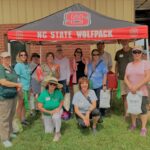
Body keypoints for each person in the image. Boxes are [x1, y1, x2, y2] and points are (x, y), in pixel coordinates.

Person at [124, 46, 150, 136]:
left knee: (143, 110)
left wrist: (137, 86)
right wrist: (131, 86)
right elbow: (125, 78)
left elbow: (147, 77)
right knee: (132, 109)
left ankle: (143, 128)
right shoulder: (129, 65)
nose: (137, 54)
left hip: (142, 91)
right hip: (131, 91)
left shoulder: (145, 63)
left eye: (139, 52)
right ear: (132, 54)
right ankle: (134, 125)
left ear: (142, 54)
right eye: (135, 52)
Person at [0, 51, 22, 148]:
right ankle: (5, 139)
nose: (7, 59)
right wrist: (17, 85)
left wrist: (17, 87)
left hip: (13, 95)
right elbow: (3, 82)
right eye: (5, 58)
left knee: (11, 116)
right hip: (4, 97)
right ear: (1, 59)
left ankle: (10, 132)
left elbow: (15, 79)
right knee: (4, 118)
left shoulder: (11, 68)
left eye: (8, 57)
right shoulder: (1, 69)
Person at [37, 76, 64, 142]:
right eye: (51, 84)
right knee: (48, 132)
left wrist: (59, 108)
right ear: (48, 84)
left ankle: (57, 133)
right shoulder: (43, 93)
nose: (52, 85)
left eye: (54, 84)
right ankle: (53, 124)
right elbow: (39, 107)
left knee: (56, 117)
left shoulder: (58, 92)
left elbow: (61, 101)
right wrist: (49, 112)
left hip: (57, 110)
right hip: (47, 113)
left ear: (56, 86)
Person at [85, 49, 108, 116]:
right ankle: (93, 113)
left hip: (99, 85)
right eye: (94, 54)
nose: (95, 56)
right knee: (91, 100)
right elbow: (86, 73)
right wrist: (86, 64)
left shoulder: (102, 64)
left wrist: (104, 85)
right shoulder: (89, 64)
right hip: (91, 85)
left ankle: (100, 114)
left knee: (99, 100)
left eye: (97, 54)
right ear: (92, 55)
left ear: (99, 55)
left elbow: (105, 75)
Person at [115, 40, 133, 118]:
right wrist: (116, 74)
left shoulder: (134, 51)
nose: (124, 42)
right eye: (122, 41)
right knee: (124, 96)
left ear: (128, 41)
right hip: (122, 78)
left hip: (132, 79)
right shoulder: (118, 53)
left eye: (125, 41)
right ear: (120, 42)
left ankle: (133, 112)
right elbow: (116, 65)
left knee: (132, 95)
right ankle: (126, 113)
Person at [14, 50, 31, 126]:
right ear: (19, 56)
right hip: (21, 88)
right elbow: (16, 77)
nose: (23, 56)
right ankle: (18, 122)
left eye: (25, 55)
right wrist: (19, 88)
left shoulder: (27, 64)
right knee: (20, 104)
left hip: (27, 87)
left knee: (24, 104)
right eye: (22, 55)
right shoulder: (18, 65)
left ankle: (23, 119)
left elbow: (28, 76)